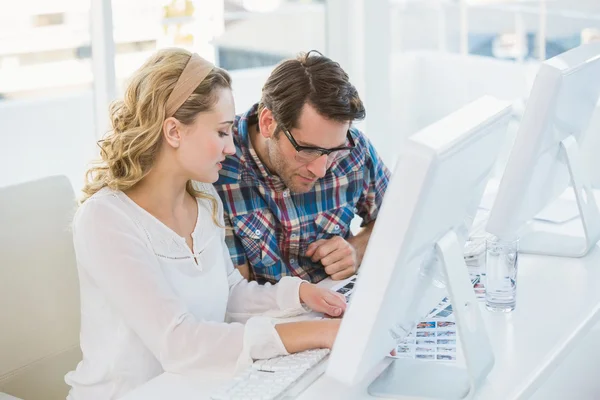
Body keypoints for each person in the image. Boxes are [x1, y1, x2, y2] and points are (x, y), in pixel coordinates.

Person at [64, 48, 346, 400]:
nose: (231, 148)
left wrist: (299, 295)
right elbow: (179, 343)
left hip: (197, 389)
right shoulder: (106, 219)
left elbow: (229, 296)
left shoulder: (202, 196)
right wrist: (317, 334)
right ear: (174, 132)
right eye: (222, 132)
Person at [214, 51, 391, 284]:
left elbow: (400, 221)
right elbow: (234, 296)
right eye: (308, 150)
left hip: (341, 300)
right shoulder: (218, 167)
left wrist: (356, 248)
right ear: (268, 123)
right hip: (271, 317)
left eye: (334, 151)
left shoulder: (353, 149)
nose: (321, 170)